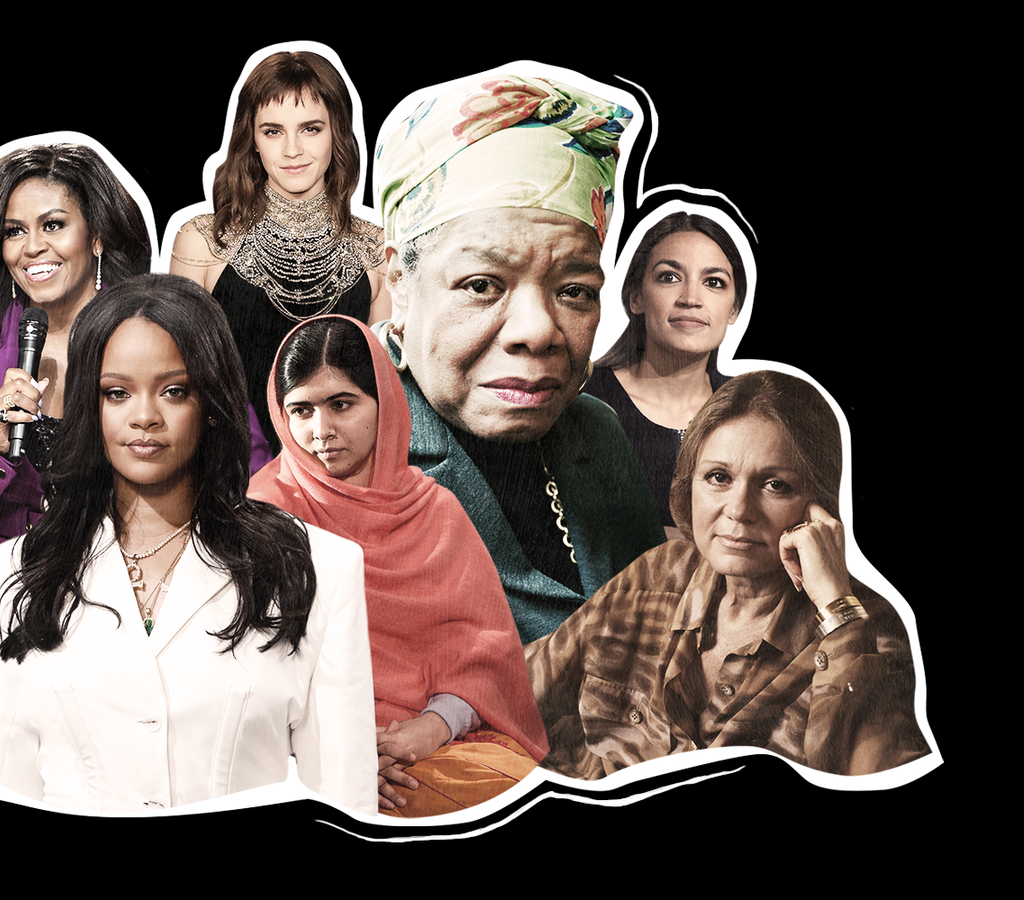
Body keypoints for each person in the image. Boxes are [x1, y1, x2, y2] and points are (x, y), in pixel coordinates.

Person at [0, 275, 377, 815]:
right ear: (89, 406)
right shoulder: (6, 580)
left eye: (174, 391)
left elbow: (344, 807)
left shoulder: (317, 569)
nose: (144, 417)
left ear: (212, 402)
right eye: (117, 393)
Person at [375, 73, 666, 643]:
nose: (538, 331)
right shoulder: (339, 455)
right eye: (482, 284)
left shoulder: (596, 432)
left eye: (574, 290)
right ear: (400, 283)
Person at [526, 370, 930, 778]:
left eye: (775, 485)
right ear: (690, 483)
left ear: (820, 504)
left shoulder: (868, 630)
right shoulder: (659, 573)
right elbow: (519, 684)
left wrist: (834, 605)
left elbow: (882, 781)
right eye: (718, 477)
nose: (739, 510)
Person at [250, 315, 548, 817]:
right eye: (301, 410)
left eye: (341, 404)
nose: (321, 431)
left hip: (434, 739)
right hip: (307, 751)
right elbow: (253, 672)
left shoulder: (435, 511)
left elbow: (482, 656)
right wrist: (340, 758)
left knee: (519, 791)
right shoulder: (266, 514)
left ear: (385, 402)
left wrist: (430, 729)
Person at [0, 143, 158, 621]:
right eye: (14, 231)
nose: (32, 247)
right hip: (7, 582)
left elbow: (238, 468)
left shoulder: (158, 331)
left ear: (96, 236)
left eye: (53, 225)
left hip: (130, 579)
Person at [170, 49, 390, 456]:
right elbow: (177, 383)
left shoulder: (375, 250)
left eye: (310, 129)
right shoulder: (202, 241)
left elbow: (385, 400)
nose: (292, 150)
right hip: (229, 471)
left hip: (342, 472)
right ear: (252, 140)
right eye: (273, 131)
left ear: (338, 133)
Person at [586, 211, 748, 539]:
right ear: (636, 297)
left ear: (734, 309)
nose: (691, 299)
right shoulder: (582, 399)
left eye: (713, 282)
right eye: (669, 277)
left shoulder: (753, 411)